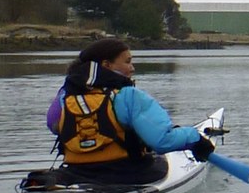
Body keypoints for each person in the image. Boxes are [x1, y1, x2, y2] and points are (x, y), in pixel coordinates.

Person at [46, 38, 214, 184]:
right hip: (127, 175)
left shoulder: (64, 96)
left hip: (76, 173)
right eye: (127, 62)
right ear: (107, 65)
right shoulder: (129, 96)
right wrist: (196, 139)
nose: (132, 68)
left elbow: (54, 126)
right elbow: (162, 142)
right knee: (159, 161)